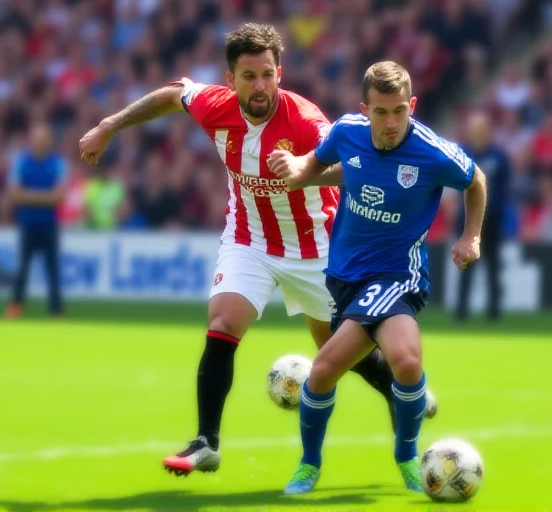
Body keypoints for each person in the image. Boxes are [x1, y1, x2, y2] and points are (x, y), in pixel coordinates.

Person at [77, 24, 437, 478]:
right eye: (250, 76)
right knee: (224, 322)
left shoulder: (306, 121)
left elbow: (357, 166)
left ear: (279, 73)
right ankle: (206, 442)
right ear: (231, 80)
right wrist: (109, 125)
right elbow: (174, 93)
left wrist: (308, 170)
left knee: (337, 349)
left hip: (319, 248)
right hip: (250, 239)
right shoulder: (213, 106)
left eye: (268, 74)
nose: (261, 85)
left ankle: (406, 393)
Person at [267, 61, 486, 494]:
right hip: (346, 273)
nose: (390, 122)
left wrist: (471, 237)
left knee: (403, 361)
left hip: (398, 274)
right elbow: (321, 163)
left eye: (399, 111)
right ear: (363, 108)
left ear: (413, 106)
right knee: (323, 374)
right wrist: (295, 169)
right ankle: (312, 462)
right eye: (381, 112)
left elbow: (475, 180)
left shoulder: (431, 151)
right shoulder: (347, 131)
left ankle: (403, 455)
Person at [4, 123, 68, 320]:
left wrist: (28, 196)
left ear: (49, 141)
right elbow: (13, 195)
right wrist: (45, 197)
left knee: (52, 270)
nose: (40, 142)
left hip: (49, 224)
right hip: (28, 224)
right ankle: (16, 306)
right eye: (37, 139)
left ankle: (56, 312)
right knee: (23, 268)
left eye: (44, 138)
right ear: (32, 141)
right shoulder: (21, 162)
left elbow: (59, 197)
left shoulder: (58, 163)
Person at [455, 111, 510, 322]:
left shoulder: (499, 157)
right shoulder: (463, 154)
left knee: (493, 267)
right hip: (468, 220)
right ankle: (461, 312)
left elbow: (504, 190)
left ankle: (494, 312)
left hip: (493, 220)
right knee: (465, 266)